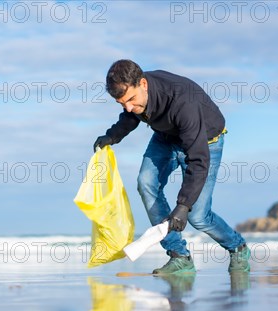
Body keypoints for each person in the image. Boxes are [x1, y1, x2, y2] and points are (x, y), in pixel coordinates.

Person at [93, 59, 250, 275]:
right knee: (145, 183)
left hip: (205, 143)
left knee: (197, 216)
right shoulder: (135, 93)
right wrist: (112, 135)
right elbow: (131, 115)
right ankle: (179, 256)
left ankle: (238, 247)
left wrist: (183, 206)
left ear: (144, 84)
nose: (129, 107)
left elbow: (199, 159)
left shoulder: (182, 102)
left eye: (131, 99)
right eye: (122, 103)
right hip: (167, 137)